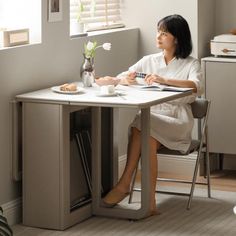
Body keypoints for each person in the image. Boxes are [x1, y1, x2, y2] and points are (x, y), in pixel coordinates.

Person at [102, 14, 203, 216]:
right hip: (152, 120)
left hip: (177, 121)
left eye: (164, 33)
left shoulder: (191, 64)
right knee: (145, 132)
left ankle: (124, 184)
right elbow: (122, 76)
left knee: (141, 122)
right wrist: (127, 80)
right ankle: (149, 202)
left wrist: (164, 80)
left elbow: (196, 88)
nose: (158, 36)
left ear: (177, 38)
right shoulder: (149, 60)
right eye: (158, 31)